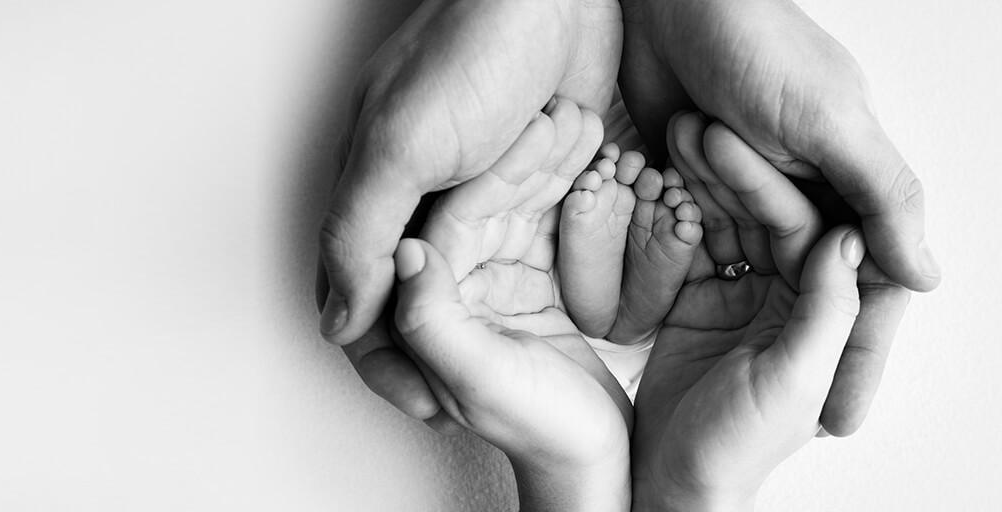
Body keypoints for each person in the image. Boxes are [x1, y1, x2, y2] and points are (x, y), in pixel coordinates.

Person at [318, 0, 937, 438]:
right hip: (693, 255)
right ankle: (615, 297)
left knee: (592, 204)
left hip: (516, 224)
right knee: (627, 223)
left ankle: (613, 291)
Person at [390, 109, 869, 510]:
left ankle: (616, 319)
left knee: (576, 153)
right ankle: (621, 323)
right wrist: (675, 489)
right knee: (620, 163)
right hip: (648, 326)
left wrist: (578, 473)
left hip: (564, 307)